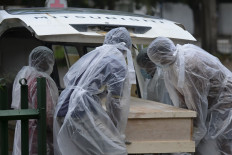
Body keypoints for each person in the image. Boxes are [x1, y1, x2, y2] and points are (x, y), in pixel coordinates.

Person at [53, 27, 135, 155]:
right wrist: (116, 130)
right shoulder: (117, 61)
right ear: (126, 46)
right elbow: (116, 102)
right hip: (80, 110)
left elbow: (82, 83)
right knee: (116, 149)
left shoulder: (94, 54)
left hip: (64, 105)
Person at [147, 37, 232, 155]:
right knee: (209, 138)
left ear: (163, 57)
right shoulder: (172, 67)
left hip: (224, 98)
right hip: (211, 100)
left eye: (159, 61)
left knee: (220, 137)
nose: (159, 64)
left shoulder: (189, 64)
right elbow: (181, 98)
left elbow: (197, 101)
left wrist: (195, 130)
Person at [11, 46, 58, 155]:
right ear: (47, 62)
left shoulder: (26, 75)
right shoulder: (42, 80)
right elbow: (46, 113)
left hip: (24, 126)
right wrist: (56, 129)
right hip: (38, 133)